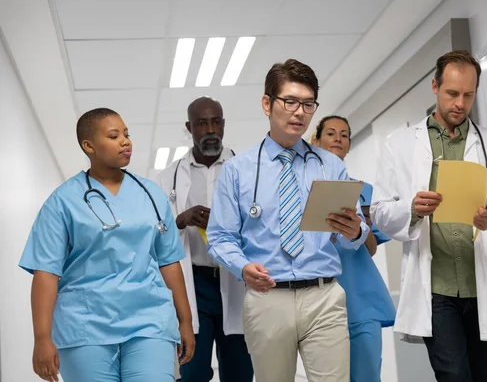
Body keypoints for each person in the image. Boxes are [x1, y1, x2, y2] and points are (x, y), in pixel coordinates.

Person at [370, 50, 487, 382]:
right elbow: (380, 213)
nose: (460, 103)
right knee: (454, 375)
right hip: (436, 290)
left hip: (481, 284)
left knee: (484, 376)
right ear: (435, 86)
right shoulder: (400, 145)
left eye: (468, 95)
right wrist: (411, 209)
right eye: (452, 93)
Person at [207, 59, 369, 382]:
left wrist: (355, 230)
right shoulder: (238, 170)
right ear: (267, 104)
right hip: (269, 298)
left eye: (308, 104)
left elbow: (357, 232)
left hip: (323, 296)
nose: (300, 112)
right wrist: (242, 267)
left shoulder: (329, 166)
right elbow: (220, 238)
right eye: (290, 101)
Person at [19, 108, 195, 382]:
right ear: (88, 146)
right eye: (114, 136)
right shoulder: (63, 201)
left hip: (149, 321)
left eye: (126, 134)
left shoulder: (151, 195)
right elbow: (45, 273)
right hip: (85, 326)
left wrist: (185, 321)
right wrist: (41, 339)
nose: (125, 141)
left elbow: (169, 262)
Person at [157, 97, 253, 382]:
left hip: (235, 280)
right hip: (193, 285)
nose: (210, 129)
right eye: (201, 123)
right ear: (189, 128)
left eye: (216, 122)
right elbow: (156, 234)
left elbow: (263, 227)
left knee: (239, 372)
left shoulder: (247, 170)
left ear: (223, 124)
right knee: (193, 372)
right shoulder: (167, 178)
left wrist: (228, 224)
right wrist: (180, 220)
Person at [311, 115, 396, 382]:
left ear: (348, 145)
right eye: (331, 133)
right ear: (315, 141)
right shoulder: (300, 190)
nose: (338, 138)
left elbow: (370, 249)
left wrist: (362, 225)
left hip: (361, 300)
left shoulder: (365, 191)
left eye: (344, 134)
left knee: (368, 375)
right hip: (318, 301)